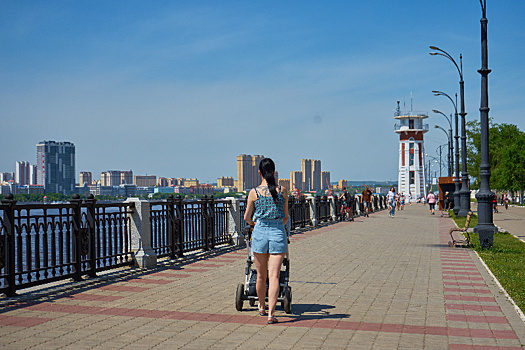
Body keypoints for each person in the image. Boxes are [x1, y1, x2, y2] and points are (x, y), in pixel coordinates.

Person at [243, 158, 289, 325]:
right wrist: (277, 225)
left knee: (261, 276)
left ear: (259, 172)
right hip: (277, 233)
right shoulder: (282, 190)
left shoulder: (254, 192)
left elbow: (247, 217)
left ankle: (261, 307)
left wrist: (257, 224)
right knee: (274, 275)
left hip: (260, 234)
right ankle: (271, 314)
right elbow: (285, 216)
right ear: (274, 172)